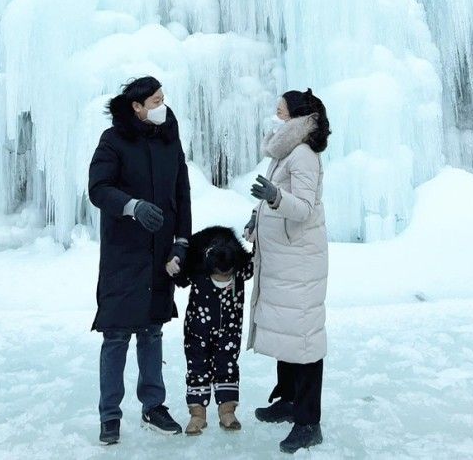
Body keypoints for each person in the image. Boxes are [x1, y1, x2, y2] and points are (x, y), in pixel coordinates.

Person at [88, 76, 192, 446]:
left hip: (160, 251)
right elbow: (98, 188)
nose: (162, 105)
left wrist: (182, 243)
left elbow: (182, 191)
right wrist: (131, 207)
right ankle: (110, 415)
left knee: (152, 331)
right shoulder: (113, 141)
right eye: (155, 100)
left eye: (164, 98)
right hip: (123, 254)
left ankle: (153, 406)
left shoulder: (168, 138)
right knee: (115, 336)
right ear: (136, 106)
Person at [245, 88, 330, 454]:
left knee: (304, 339)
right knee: (286, 332)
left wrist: (274, 199)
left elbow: (305, 209)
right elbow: (275, 200)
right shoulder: (284, 152)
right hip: (282, 260)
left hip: (299, 263)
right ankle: (289, 400)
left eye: (281, 107)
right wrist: (256, 218)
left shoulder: (303, 155)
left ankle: (308, 421)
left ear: (295, 116)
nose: (275, 111)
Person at [172, 225, 254, 435]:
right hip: (197, 331)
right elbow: (179, 278)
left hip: (229, 330)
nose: (224, 282)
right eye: (219, 278)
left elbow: (258, 259)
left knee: (227, 365)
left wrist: (257, 232)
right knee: (197, 367)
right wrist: (174, 264)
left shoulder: (241, 268)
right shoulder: (197, 267)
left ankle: (227, 410)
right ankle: (197, 414)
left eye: (228, 278)